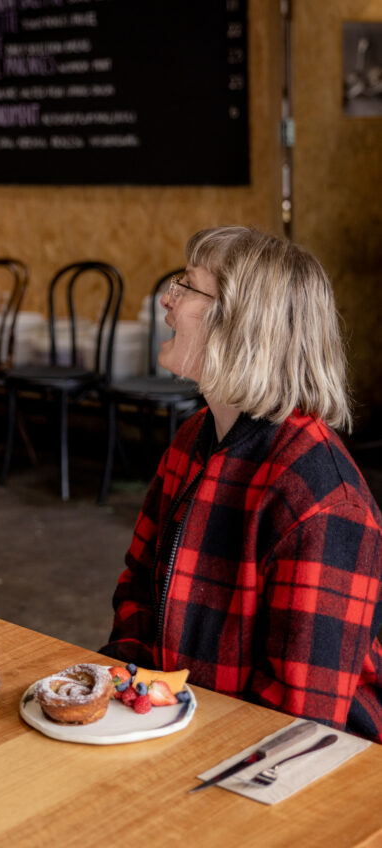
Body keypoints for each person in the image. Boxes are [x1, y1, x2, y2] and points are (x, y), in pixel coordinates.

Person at [102, 226, 382, 742]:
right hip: (177, 730)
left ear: (243, 323)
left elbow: (300, 724)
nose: (168, 297)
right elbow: (138, 594)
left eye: (187, 286)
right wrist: (123, 701)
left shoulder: (322, 498)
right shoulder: (193, 439)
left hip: (283, 768)